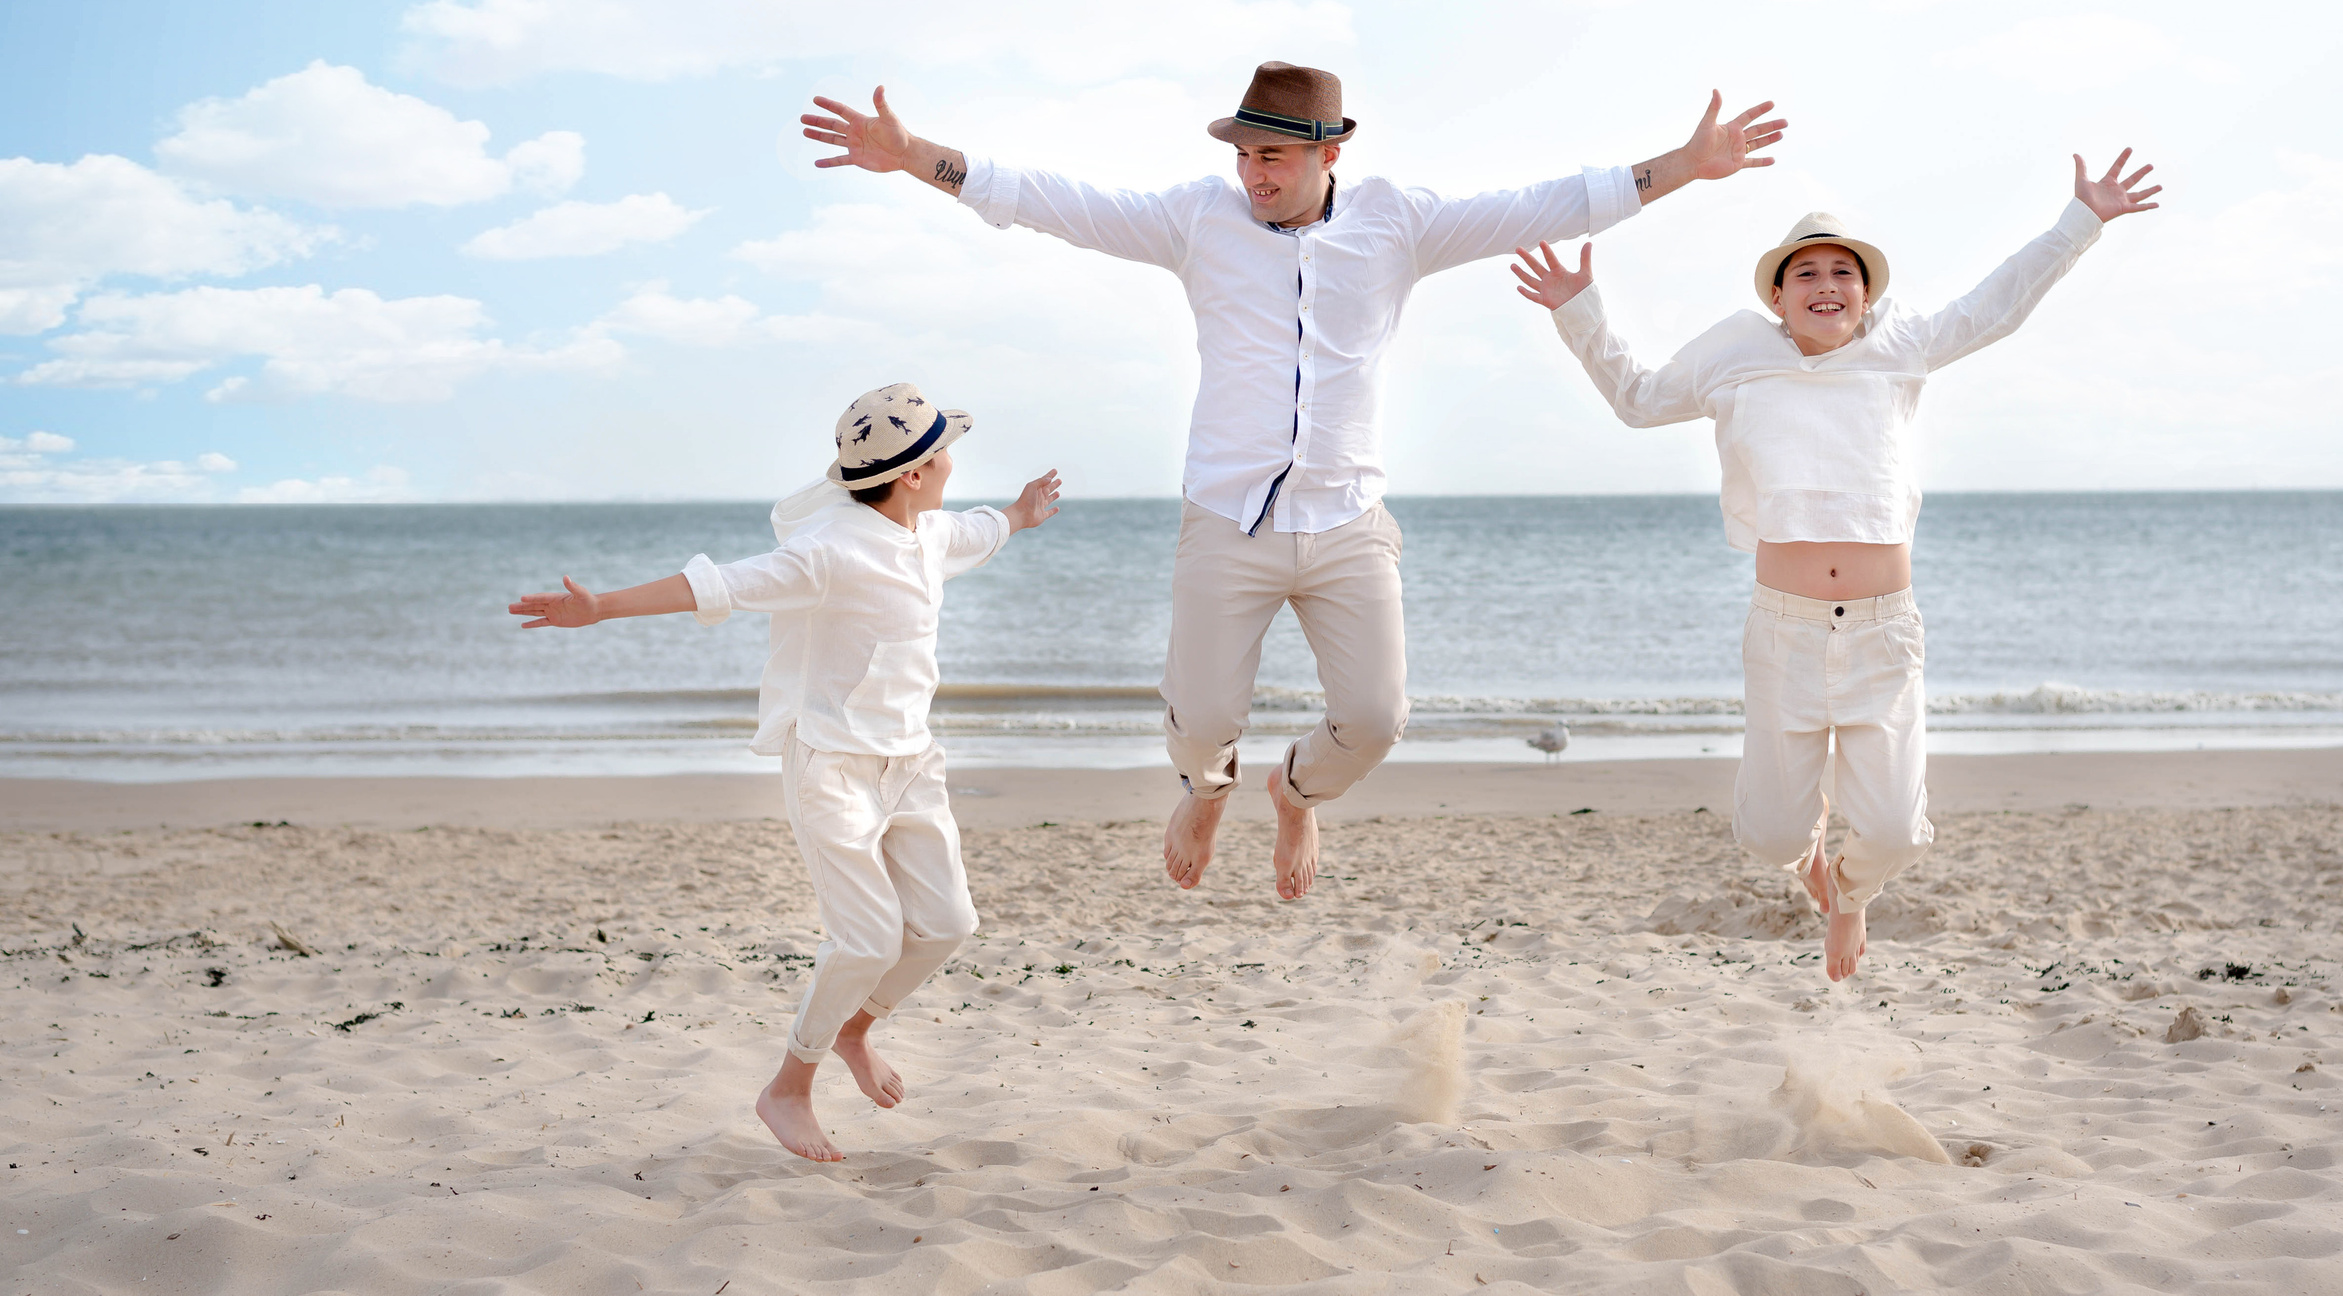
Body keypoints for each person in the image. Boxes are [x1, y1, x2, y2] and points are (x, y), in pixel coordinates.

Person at [797, 63, 1785, 901]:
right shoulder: (1198, 220)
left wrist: (1685, 169)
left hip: (1349, 519)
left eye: (1270, 155)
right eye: (1241, 153)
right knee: (1201, 725)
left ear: (1327, 153)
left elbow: (1548, 201)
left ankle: (1295, 798)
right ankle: (1210, 786)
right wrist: (920, 155)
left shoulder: (1396, 223)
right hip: (1225, 519)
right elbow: (1059, 203)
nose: (1250, 172)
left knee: (1375, 719)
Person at [1511, 150, 2162, 980]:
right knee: (1773, 837)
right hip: (1783, 634)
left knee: (1894, 832)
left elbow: (1998, 305)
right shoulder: (1737, 353)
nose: (1827, 285)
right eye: (1806, 272)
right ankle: (1812, 862)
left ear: (1867, 291)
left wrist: (2083, 220)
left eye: (1844, 272)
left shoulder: (1902, 346)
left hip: (1884, 637)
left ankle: (1850, 896)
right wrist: (1581, 312)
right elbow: (1638, 401)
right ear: (1778, 295)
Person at [504, 383, 1062, 1162]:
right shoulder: (828, 549)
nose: (950, 463)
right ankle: (787, 1089)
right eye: (943, 452)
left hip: (911, 762)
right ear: (912, 474)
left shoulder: (928, 532)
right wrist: (601, 608)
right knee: (866, 939)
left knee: (947, 925)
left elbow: (980, 529)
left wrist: (1022, 512)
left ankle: (855, 1032)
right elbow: (722, 585)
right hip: (831, 765)